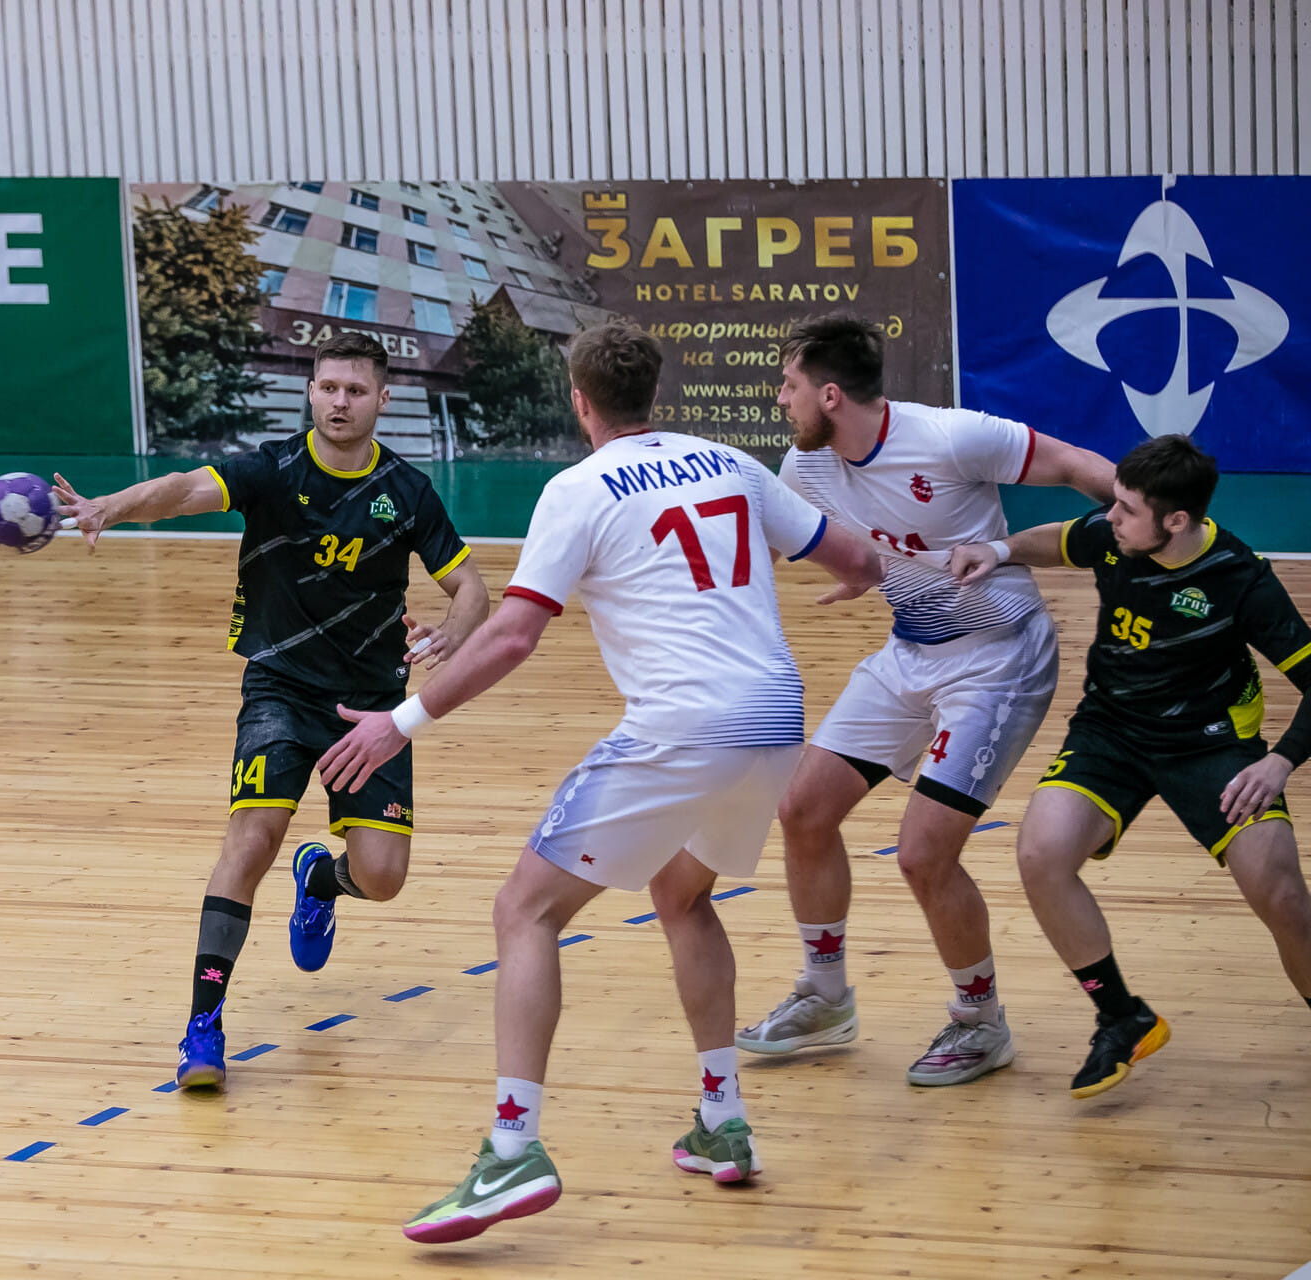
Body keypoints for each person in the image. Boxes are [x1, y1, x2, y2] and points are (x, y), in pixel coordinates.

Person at [317, 323, 883, 1242]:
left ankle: (511, 1151)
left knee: (524, 912)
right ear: (651, 393)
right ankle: (723, 1119)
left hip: (683, 726)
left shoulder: (577, 489)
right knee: (682, 896)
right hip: (777, 720)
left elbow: (513, 634)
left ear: (579, 400)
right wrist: (856, 579)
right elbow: (857, 560)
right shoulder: (730, 463)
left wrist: (400, 722)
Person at [54, 332, 489, 1090]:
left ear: (383, 399)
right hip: (280, 688)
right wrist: (109, 508)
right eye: (329, 388)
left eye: (356, 390)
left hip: (371, 707)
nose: (340, 402)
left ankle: (321, 881)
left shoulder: (408, 490)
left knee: (383, 877)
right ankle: (203, 1026)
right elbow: (183, 490)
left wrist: (454, 631)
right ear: (311, 391)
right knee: (251, 839)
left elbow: (472, 588)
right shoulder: (272, 469)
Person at [736, 313, 1116, 1087]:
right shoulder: (804, 466)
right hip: (910, 653)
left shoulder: (952, 436)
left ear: (831, 395)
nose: (780, 398)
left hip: (1000, 659)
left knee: (923, 853)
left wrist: (1158, 539)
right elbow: (773, 546)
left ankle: (981, 1023)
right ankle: (825, 995)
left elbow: (1084, 468)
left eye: (789, 384)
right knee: (803, 811)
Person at [947, 435, 1311, 1096]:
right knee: (1041, 855)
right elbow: (1063, 539)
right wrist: (997, 550)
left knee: (1283, 896)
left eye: (1126, 509)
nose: (1109, 517)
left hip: (1212, 746)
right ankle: (1123, 1017)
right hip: (1111, 733)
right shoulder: (1116, 536)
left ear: (1178, 520)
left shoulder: (1241, 579)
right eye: (1113, 503)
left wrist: (1280, 762)